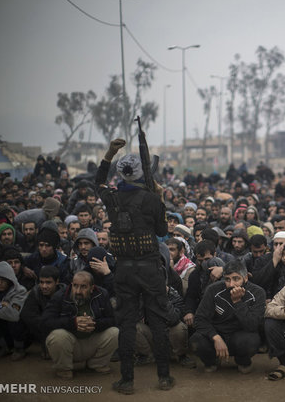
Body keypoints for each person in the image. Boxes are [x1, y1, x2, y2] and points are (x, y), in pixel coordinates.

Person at [95, 139, 174, 393]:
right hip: (150, 268)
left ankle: (127, 380)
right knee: (158, 322)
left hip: (124, 269)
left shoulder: (112, 198)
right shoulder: (151, 199)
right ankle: (164, 377)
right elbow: (162, 231)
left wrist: (110, 153)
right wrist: (159, 198)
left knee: (126, 324)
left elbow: (98, 182)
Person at [190, 260, 265, 373]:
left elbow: (253, 325)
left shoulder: (257, 293)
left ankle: (242, 361)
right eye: (227, 279)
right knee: (196, 341)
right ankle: (211, 361)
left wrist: (238, 302)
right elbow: (200, 319)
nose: (231, 284)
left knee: (251, 341)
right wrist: (216, 337)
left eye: (236, 279)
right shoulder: (213, 290)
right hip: (217, 333)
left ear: (245, 278)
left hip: (240, 335)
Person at [20, 265, 66, 359]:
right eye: (41, 282)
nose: (44, 286)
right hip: (41, 328)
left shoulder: (66, 295)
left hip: (60, 329)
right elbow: (27, 315)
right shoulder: (36, 292)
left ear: (57, 282)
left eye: (48, 282)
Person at [0, 261, 28, 360]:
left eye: (3, 280)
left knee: (16, 320)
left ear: (9, 280)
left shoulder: (20, 291)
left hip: (18, 330)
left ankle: (19, 348)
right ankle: (3, 347)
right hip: (1, 327)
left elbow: (13, 315)